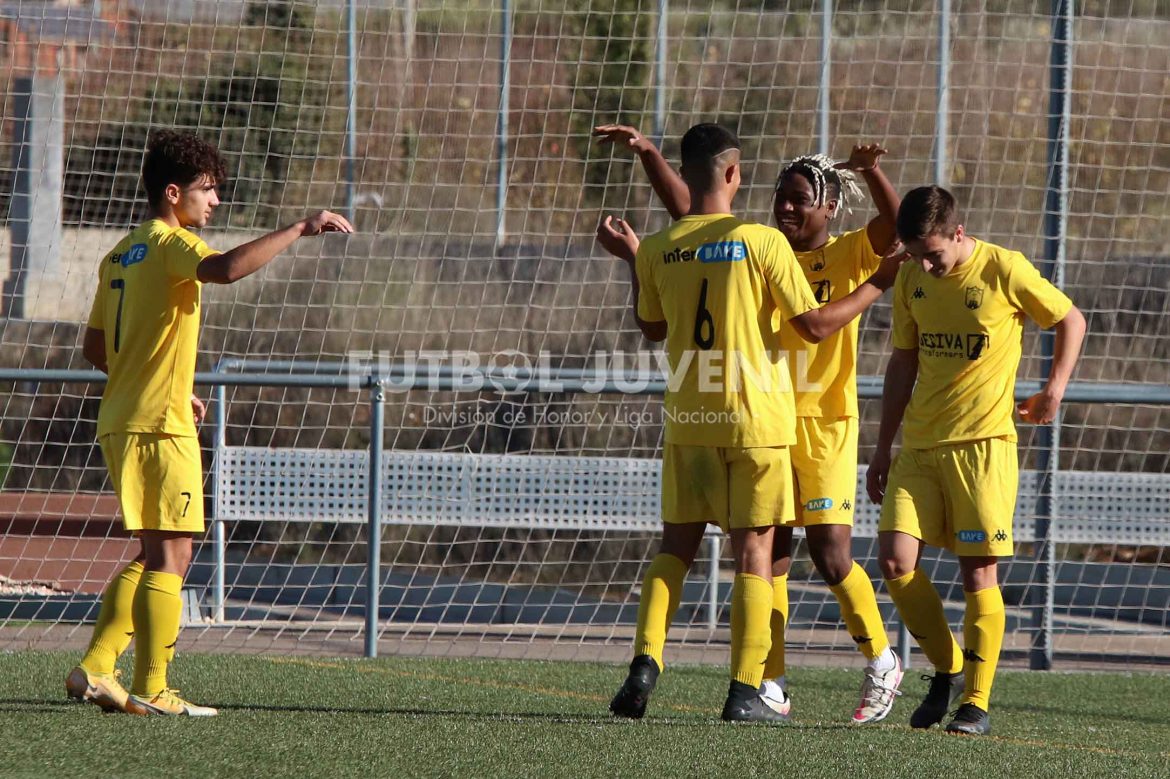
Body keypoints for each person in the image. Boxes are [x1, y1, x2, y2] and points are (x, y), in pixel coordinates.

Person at [594, 123, 904, 724]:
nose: (786, 206)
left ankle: (882, 659)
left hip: (819, 422)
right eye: (780, 196)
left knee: (831, 555)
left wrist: (869, 171)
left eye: (800, 199)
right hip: (764, 419)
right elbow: (697, 219)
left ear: (830, 208)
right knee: (772, 556)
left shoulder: (841, 252)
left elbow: (693, 224)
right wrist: (654, 158)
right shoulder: (760, 245)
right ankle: (768, 682)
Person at [66, 129, 353, 716]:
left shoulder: (119, 252)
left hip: (124, 417)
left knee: (155, 551)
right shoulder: (173, 244)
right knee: (175, 554)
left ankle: (95, 668)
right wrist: (301, 227)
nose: (215, 201)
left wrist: (167, 383)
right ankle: (152, 686)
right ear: (174, 194)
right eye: (207, 190)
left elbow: (96, 348)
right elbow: (223, 269)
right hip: (158, 427)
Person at [866, 185, 1085, 736]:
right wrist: (882, 445)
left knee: (977, 573)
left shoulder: (1003, 270)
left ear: (958, 234)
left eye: (933, 254)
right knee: (894, 562)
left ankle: (976, 702)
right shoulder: (913, 277)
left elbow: (1070, 320)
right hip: (919, 445)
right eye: (914, 254)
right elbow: (902, 362)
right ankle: (949, 667)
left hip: (984, 446)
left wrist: (1054, 389)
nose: (923, 265)